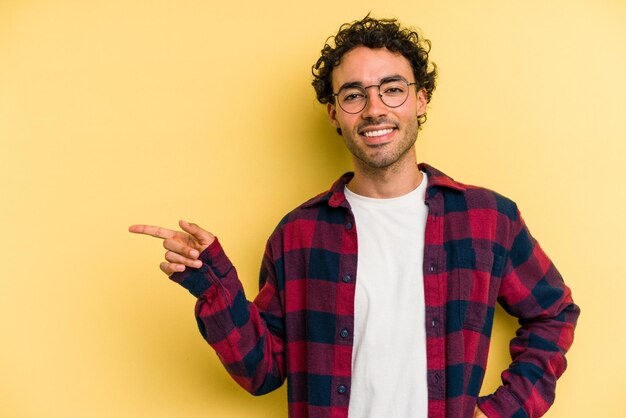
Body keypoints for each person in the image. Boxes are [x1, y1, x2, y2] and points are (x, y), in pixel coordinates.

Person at [129, 15, 579, 418]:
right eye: (353, 95)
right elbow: (262, 373)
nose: (375, 108)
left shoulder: (487, 219)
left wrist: (503, 412)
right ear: (333, 114)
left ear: (420, 100)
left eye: (392, 89)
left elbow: (553, 313)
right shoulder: (298, 235)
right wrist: (212, 284)